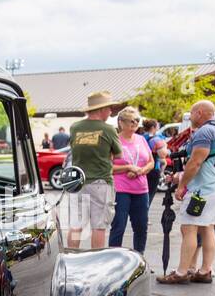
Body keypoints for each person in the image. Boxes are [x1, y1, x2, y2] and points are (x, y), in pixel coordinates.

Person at [158, 100, 215, 284]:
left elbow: (196, 162)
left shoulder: (205, 132)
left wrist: (182, 185)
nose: (190, 117)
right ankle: (205, 270)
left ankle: (182, 273)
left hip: (203, 190)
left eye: (191, 113)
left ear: (199, 112)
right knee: (208, 228)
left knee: (188, 227)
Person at [67, 91, 121, 249]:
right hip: (100, 182)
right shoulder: (108, 129)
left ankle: (71, 256)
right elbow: (118, 155)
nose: (110, 112)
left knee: (76, 225)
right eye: (109, 108)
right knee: (99, 226)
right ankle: (96, 261)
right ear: (101, 109)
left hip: (78, 181)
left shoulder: (75, 128)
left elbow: (74, 149)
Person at [109, 106, 152, 255]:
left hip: (141, 189)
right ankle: (113, 259)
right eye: (131, 121)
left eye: (137, 121)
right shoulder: (114, 140)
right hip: (121, 190)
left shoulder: (141, 139)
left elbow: (151, 162)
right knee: (119, 226)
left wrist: (141, 170)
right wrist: (128, 167)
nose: (135, 124)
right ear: (121, 122)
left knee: (141, 226)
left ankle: (139, 257)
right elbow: (108, 167)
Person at [141, 119, 168, 201]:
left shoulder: (140, 137)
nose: (158, 127)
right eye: (158, 126)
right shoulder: (156, 139)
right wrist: (165, 145)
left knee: (141, 195)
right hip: (152, 169)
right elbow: (163, 155)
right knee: (149, 195)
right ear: (153, 127)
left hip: (141, 169)